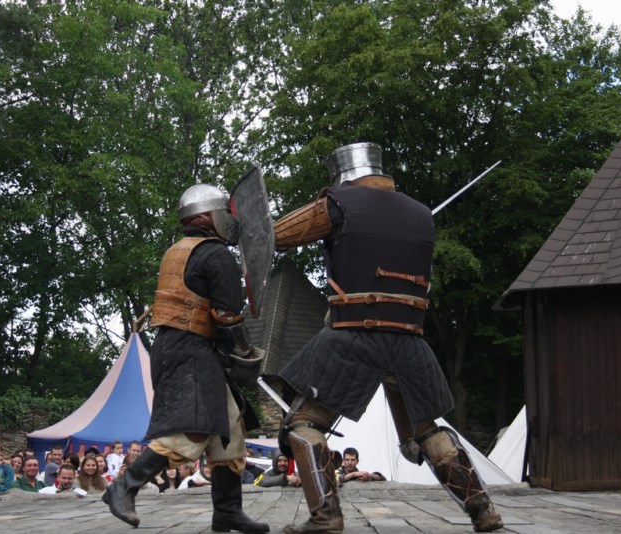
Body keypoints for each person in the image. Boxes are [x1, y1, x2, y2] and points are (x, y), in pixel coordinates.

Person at [274, 142, 503, 533]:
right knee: (427, 431)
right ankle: (484, 511)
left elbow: (277, 237)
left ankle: (325, 517)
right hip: (410, 341)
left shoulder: (338, 204)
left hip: (354, 336)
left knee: (303, 424)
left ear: (342, 176)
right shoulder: (420, 213)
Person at [103, 184, 269, 533]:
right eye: (224, 214)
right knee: (191, 431)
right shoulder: (216, 253)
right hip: (192, 351)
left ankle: (227, 512)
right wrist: (244, 353)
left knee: (229, 429)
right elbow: (227, 315)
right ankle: (124, 486)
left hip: (176, 347)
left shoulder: (177, 250)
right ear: (208, 217)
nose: (230, 221)